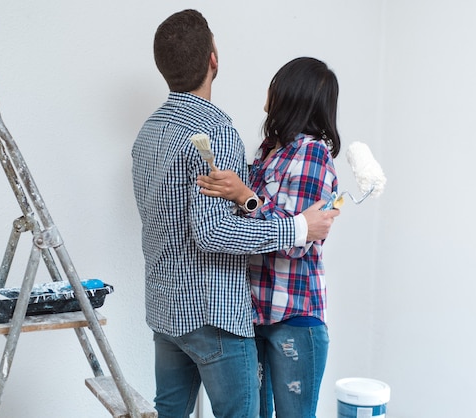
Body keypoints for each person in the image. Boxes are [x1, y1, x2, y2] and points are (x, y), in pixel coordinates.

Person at [131, 10, 340, 418]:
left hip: (165, 310)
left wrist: (257, 203)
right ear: (214, 58)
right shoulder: (216, 133)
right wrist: (298, 227)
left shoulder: (148, 131)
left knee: (169, 411)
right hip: (215, 314)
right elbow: (213, 232)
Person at [196, 57, 341, 418]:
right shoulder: (266, 151)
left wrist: (245, 196)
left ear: (294, 93)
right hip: (253, 314)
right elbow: (248, 224)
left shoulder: (312, 153)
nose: (269, 89)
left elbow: (297, 240)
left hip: (294, 317)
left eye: (277, 82)